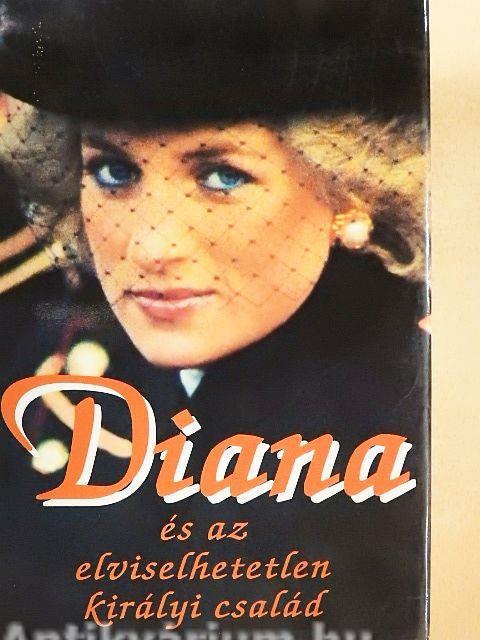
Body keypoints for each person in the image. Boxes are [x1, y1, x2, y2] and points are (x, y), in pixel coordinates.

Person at [0, 1, 429, 638]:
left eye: (222, 176)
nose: (152, 245)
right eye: (112, 171)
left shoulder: (431, 405)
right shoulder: (27, 358)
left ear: (349, 187)